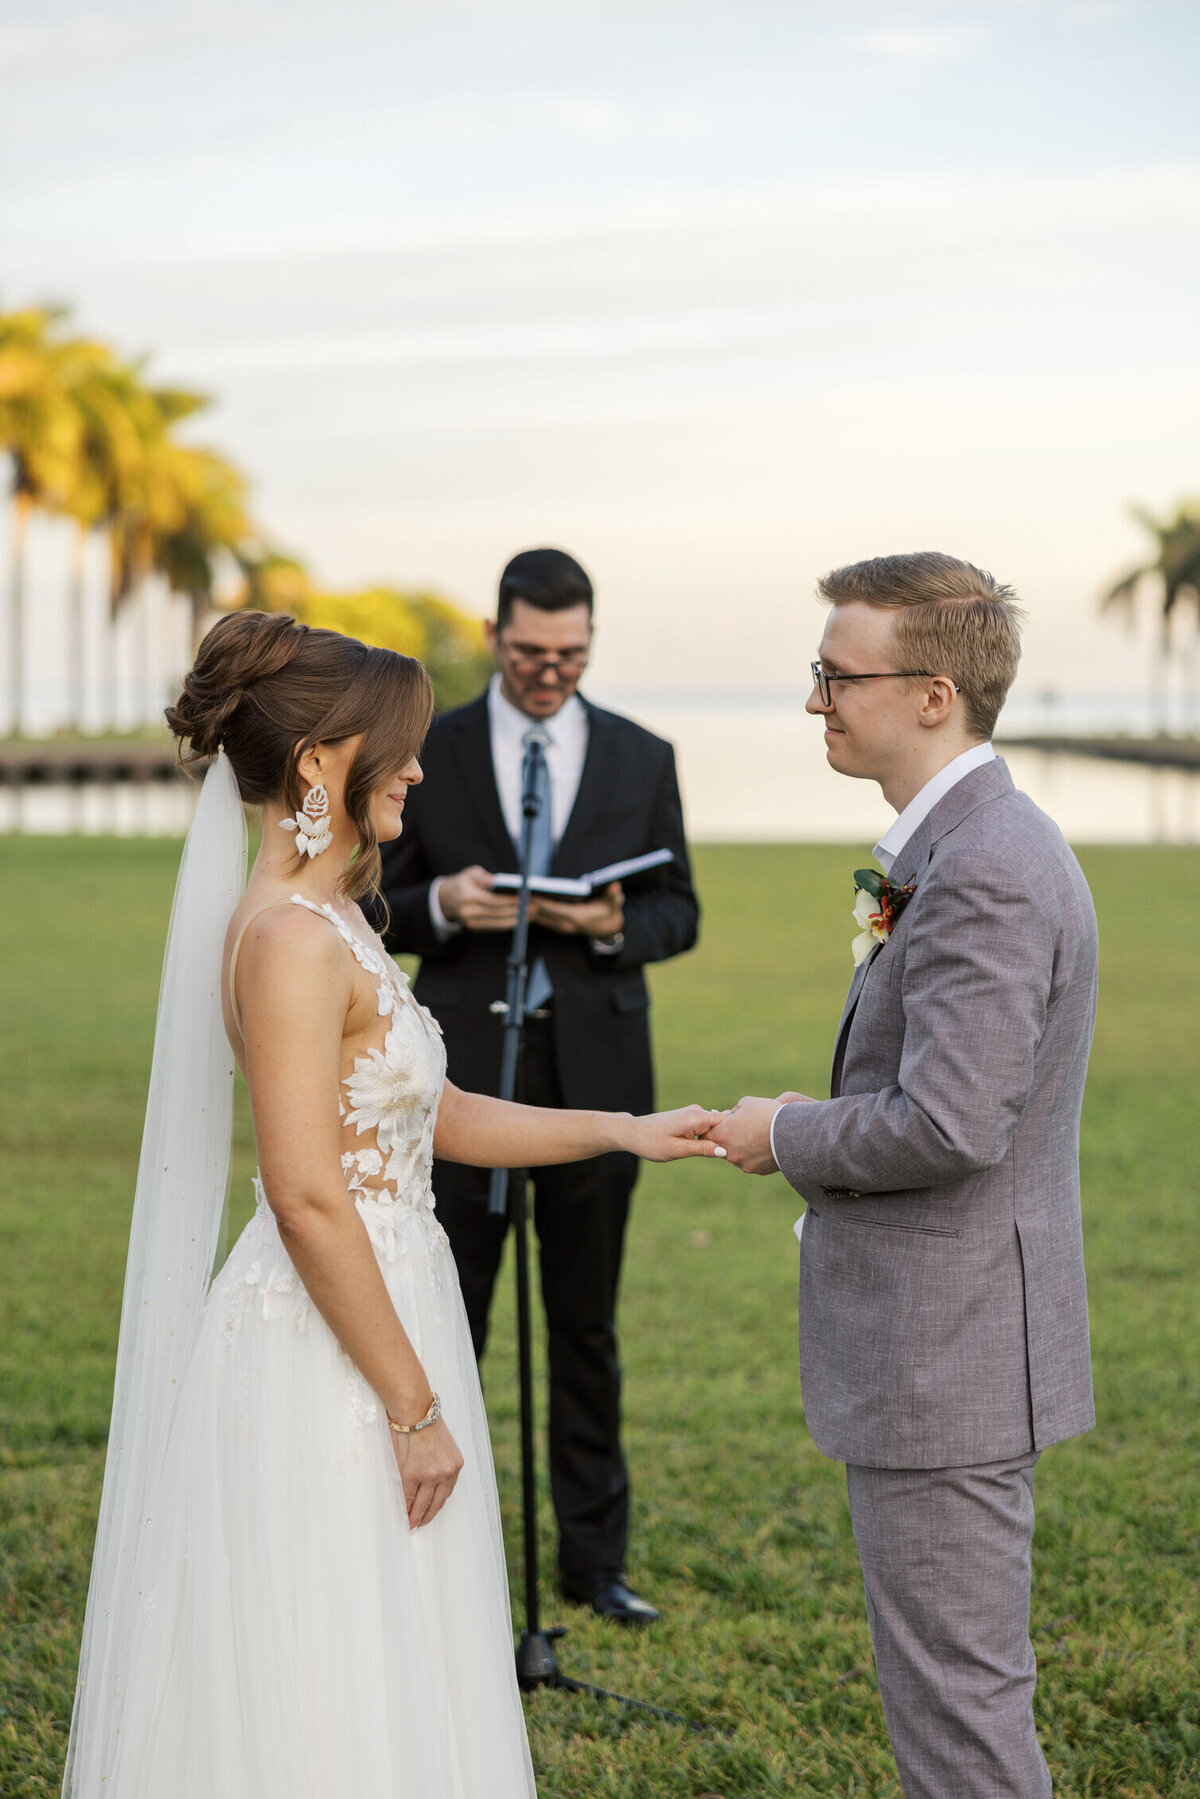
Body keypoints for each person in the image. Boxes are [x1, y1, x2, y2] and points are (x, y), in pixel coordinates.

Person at [61, 611, 724, 1799]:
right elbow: (308, 1192)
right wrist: (414, 1406)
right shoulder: (285, 942)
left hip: (387, 1301)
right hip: (330, 1339)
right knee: (331, 1645)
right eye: (400, 746)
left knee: (396, 1632)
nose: (420, 767)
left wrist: (624, 1128)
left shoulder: (334, 920)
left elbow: (437, 1111)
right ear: (321, 761)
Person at [709, 553, 1097, 1799]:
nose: (817, 699)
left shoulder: (984, 863)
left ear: (935, 692)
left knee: (962, 1726)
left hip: (951, 1351)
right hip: (954, 1338)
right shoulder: (968, 840)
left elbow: (947, 1124)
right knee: (950, 1699)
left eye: (838, 674)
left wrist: (787, 1131)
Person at [375, 547, 698, 1625]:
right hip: (459, 1075)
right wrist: (441, 905)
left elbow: (678, 912)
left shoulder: (643, 756)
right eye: (529, 652)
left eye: (569, 653)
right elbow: (369, 901)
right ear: (494, 635)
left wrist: (611, 923)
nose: (550, 670)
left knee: (586, 1325)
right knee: (446, 1312)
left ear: (590, 640)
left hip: (600, 1074)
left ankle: (593, 1565)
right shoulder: (433, 747)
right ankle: (429, 1546)